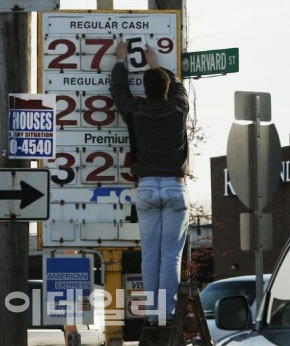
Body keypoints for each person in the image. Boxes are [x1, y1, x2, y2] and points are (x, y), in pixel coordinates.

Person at [110, 41, 190, 326]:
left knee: (150, 255)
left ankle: (153, 314)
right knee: (170, 257)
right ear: (166, 88)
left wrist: (121, 61)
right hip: (174, 187)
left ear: (144, 91)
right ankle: (165, 314)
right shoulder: (178, 110)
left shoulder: (135, 111)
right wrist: (156, 65)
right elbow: (179, 88)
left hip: (145, 187)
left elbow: (118, 92)